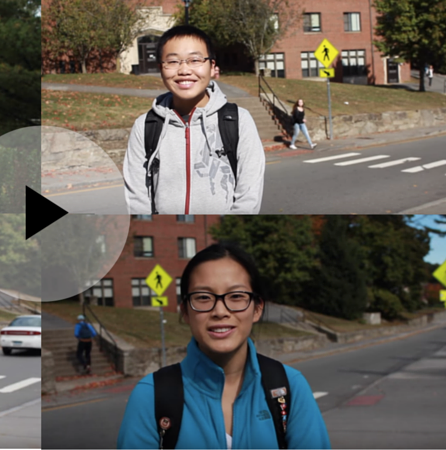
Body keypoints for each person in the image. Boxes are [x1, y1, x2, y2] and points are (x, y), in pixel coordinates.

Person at [117, 243, 330, 449]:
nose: (220, 311)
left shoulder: (289, 387)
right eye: (203, 297)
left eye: (236, 296)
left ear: (257, 309)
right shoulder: (151, 395)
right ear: (185, 312)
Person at [123, 26, 265, 215]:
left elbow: (249, 197)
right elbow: (137, 198)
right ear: (160, 69)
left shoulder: (238, 121)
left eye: (195, 60)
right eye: (172, 61)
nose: (184, 70)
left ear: (213, 66)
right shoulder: (146, 126)